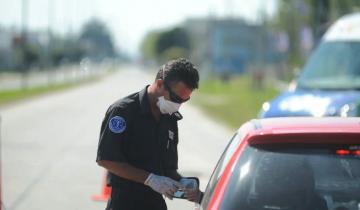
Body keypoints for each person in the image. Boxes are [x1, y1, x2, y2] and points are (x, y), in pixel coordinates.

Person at [96, 58, 202, 210]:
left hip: (155, 203)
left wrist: (182, 183)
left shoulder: (169, 118)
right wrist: (149, 179)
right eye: (176, 98)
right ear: (159, 84)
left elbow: (168, 169)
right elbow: (106, 159)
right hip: (125, 203)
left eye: (185, 100)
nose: (178, 105)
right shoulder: (123, 111)